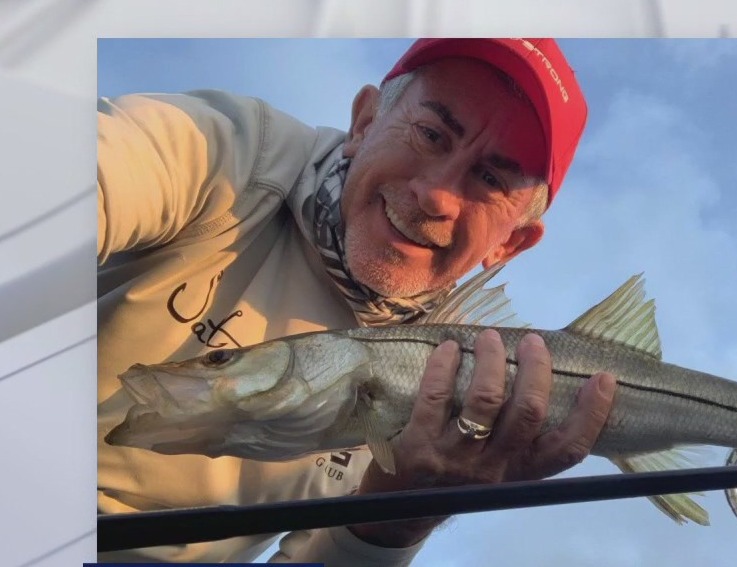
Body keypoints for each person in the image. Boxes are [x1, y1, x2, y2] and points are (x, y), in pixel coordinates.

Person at [96, 38, 618, 565]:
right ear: (365, 122)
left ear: (510, 244)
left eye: (489, 179)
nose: (435, 195)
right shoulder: (233, 152)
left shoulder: (460, 391)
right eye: (431, 134)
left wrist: (394, 518)